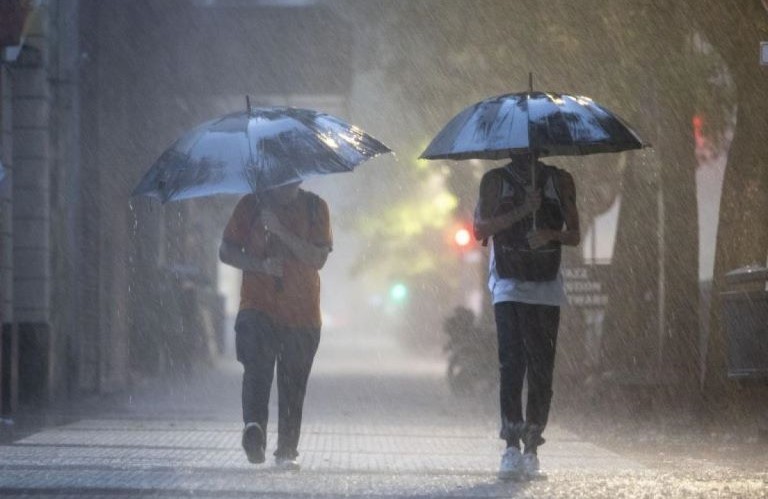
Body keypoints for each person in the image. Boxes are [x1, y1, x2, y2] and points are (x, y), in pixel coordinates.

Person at [473, 152, 580, 480]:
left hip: (546, 286)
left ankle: (533, 445)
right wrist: (522, 211)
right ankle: (510, 445)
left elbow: (574, 234)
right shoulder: (495, 181)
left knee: (541, 365)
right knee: (511, 362)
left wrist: (548, 233)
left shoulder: (559, 180)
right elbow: (479, 229)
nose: (527, 151)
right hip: (507, 284)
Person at [219, 180, 332, 471]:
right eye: (280, 177)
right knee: (256, 368)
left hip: (302, 313)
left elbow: (318, 258)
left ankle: (286, 450)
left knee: (293, 384)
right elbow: (226, 251)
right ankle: (254, 430)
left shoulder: (315, 207)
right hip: (257, 307)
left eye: (292, 178)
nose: (286, 184)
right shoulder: (250, 205)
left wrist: (281, 230)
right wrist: (261, 265)